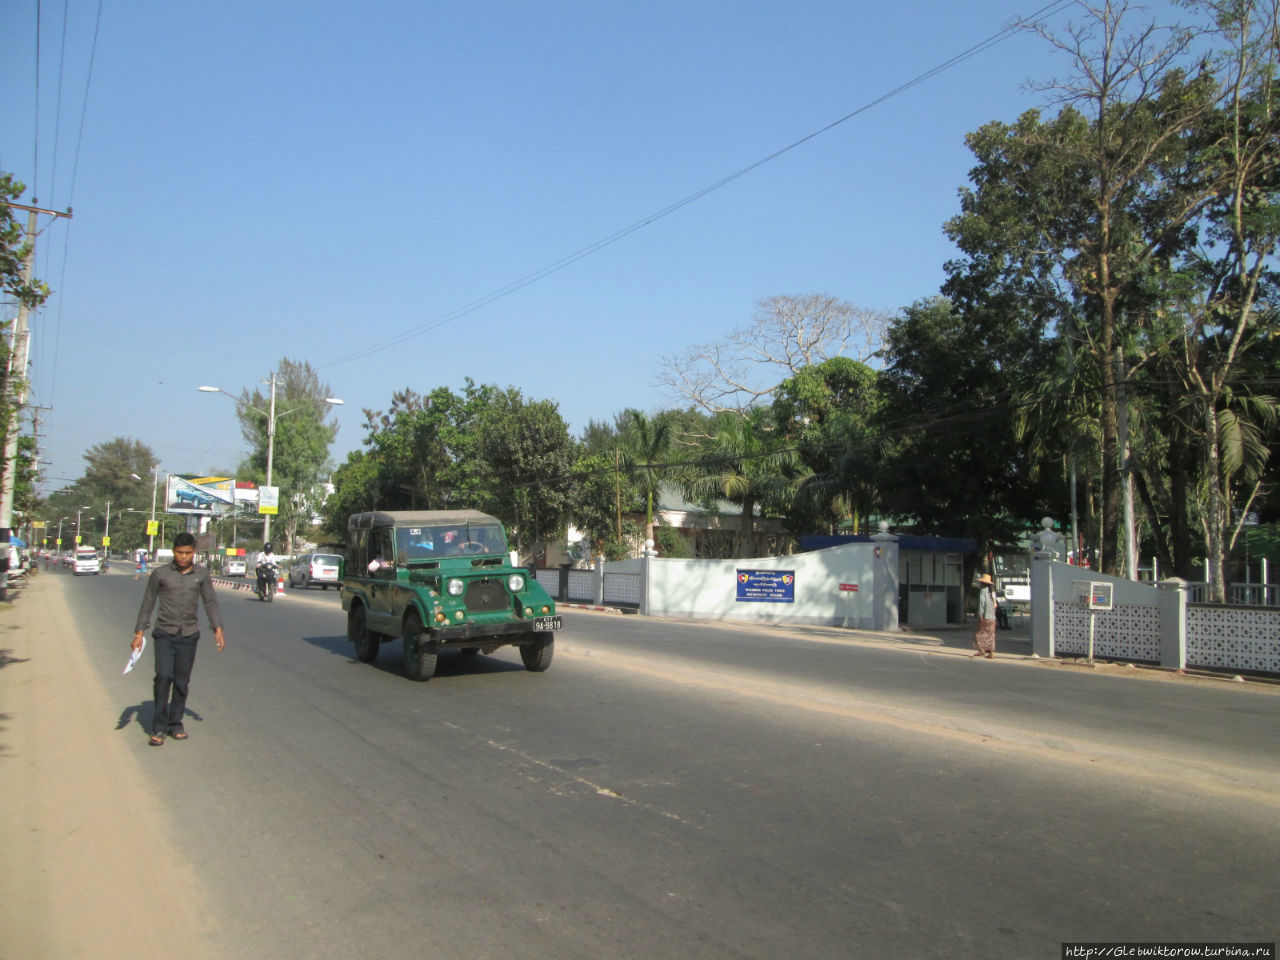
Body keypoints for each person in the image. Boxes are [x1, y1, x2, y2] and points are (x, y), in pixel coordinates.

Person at [132, 532, 226, 746]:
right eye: (180, 552)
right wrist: (139, 633)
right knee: (163, 676)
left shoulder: (201, 575)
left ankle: (175, 723)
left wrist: (217, 628)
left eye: (188, 553)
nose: (184, 557)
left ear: (194, 553)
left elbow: (210, 602)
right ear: (173, 551)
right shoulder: (160, 574)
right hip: (164, 633)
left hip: (189, 634)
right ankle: (158, 726)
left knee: (182, 682)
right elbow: (148, 603)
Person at [973, 572, 997, 659]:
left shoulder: (983, 591)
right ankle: (991, 652)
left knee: (979, 633)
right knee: (991, 634)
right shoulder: (993, 591)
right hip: (992, 616)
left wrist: (980, 615)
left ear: (983, 583)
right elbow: (995, 604)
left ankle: (981, 650)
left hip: (985, 615)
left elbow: (982, 604)